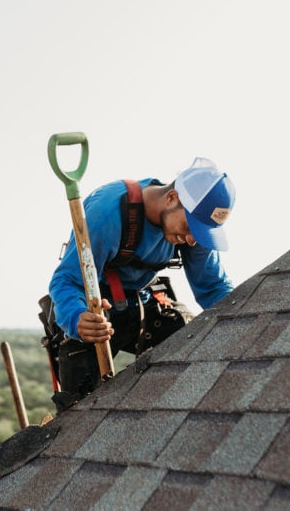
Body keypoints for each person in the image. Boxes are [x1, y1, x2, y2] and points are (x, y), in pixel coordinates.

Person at [43, 158, 235, 411]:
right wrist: (77, 318)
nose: (191, 240)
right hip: (96, 309)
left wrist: (241, 321)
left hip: (145, 302)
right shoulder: (108, 213)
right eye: (190, 227)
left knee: (192, 341)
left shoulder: (193, 233)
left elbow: (213, 289)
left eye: (200, 233)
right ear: (172, 197)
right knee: (79, 405)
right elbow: (67, 280)